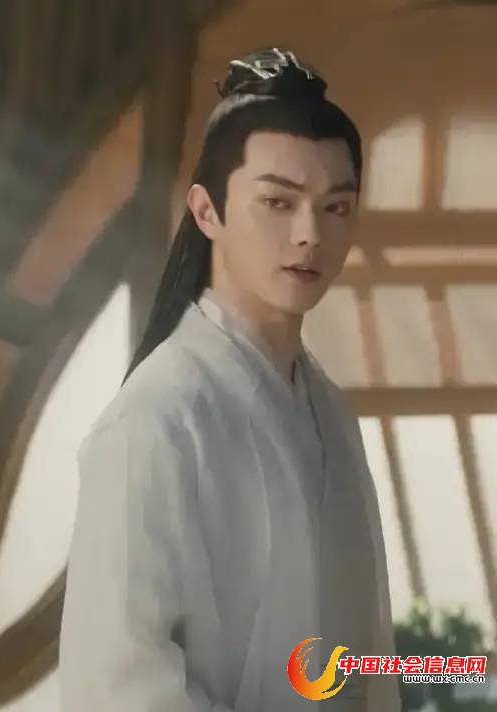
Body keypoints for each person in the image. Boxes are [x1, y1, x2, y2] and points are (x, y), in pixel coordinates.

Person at [59, 48, 401, 712]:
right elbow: (118, 686)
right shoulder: (156, 419)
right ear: (207, 210)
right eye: (278, 202)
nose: (310, 234)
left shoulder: (329, 409)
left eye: (336, 207)